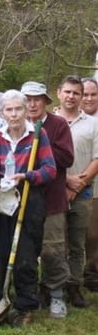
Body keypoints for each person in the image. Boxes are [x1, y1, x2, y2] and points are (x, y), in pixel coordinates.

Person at [0, 90, 56, 326]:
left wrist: (27, 176)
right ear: (2, 112)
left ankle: (26, 305)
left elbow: (50, 170)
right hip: (1, 197)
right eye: (9, 109)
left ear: (25, 110)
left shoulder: (37, 135)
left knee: (24, 254)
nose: (14, 114)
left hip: (28, 197)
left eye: (18, 109)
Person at [21, 81, 74, 319]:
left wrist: (41, 146)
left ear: (45, 101)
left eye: (37, 99)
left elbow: (66, 157)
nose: (32, 104)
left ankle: (56, 294)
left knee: (53, 249)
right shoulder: (17, 125)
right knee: (27, 248)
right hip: (24, 200)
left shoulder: (58, 125)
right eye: (28, 99)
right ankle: (31, 293)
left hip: (52, 197)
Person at [55, 75, 98, 308]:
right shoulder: (49, 122)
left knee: (77, 243)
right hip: (55, 190)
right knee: (55, 242)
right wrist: (64, 182)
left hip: (81, 192)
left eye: (76, 93)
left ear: (81, 97)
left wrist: (78, 184)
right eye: (67, 92)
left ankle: (74, 286)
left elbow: (97, 158)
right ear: (59, 92)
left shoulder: (92, 124)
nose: (71, 96)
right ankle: (55, 286)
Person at [81, 78, 98, 291]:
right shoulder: (65, 119)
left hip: (94, 184)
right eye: (85, 94)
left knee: (94, 233)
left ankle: (92, 274)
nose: (88, 98)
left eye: (93, 95)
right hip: (71, 184)